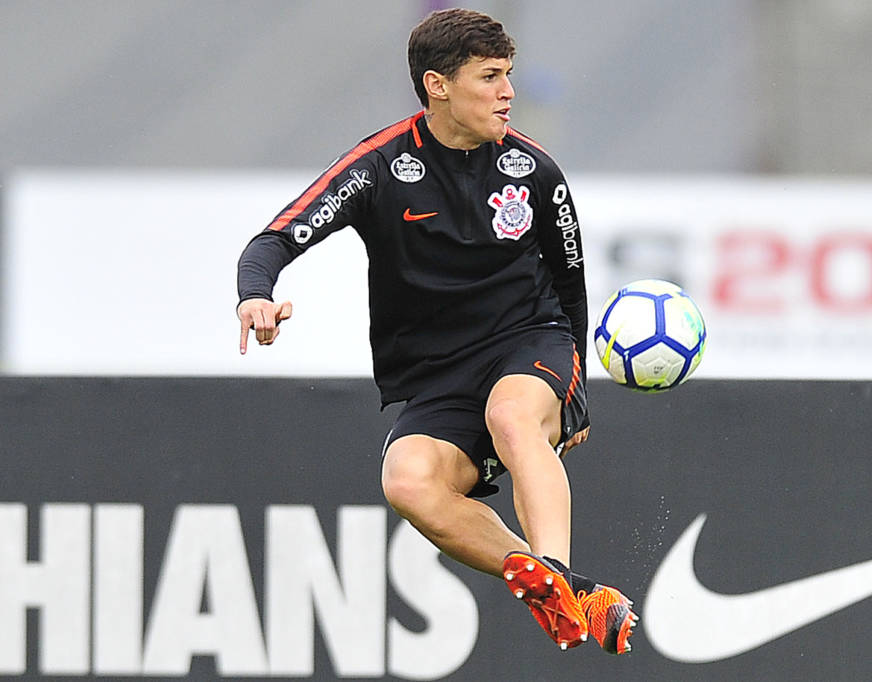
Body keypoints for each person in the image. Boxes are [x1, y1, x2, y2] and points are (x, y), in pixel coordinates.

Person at [236, 8, 636, 654]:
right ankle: (573, 593)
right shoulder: (377, 166)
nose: (508, 92)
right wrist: (255, 295)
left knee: (511, 417)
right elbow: (275, 238)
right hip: (440, 375)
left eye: (508, 75)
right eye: (490, 77)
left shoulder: (535, 172)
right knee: (407, 481)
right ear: (438, 85)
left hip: (529, 342)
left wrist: (576, 390)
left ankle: (556, 571)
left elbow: (571, 284)